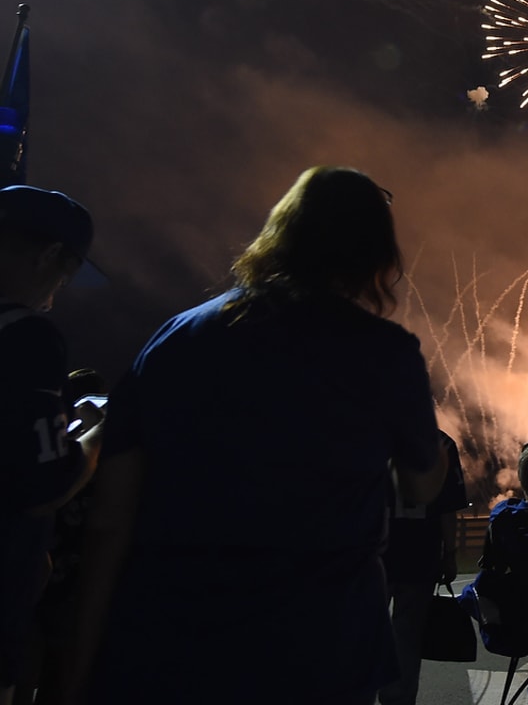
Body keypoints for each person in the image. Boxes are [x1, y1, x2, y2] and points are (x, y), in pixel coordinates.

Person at [69, 166, 448, 705]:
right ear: (373, 255)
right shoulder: (384, 352)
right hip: (320, 644)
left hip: (174, 637)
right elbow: (420, 486)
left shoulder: (175, 340)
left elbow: (112, 518)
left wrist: (79, 667)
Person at [0, 186, 103, 705]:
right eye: (66, 273)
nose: (60, 289)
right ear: (48, 257)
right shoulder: (27, 339)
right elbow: (43, 485)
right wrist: (96, 436)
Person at [378, 430, 469, 705]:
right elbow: (447, 508)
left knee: (366, 631)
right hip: (418, 552)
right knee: (407, 635)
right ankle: (398, 699)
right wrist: (450, 554)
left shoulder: (366, 433)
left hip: (374, 552)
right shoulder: (440, 443)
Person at [460, 438, 528, 657]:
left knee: (477, 589)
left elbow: (491, 567)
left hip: (520, 624)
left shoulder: (506, 517)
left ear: (520, 476)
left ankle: (494, 632)